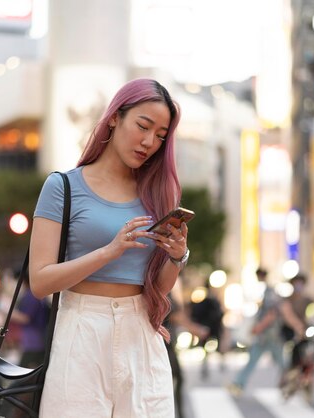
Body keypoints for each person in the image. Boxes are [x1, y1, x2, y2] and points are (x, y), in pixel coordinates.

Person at [29, 78, 186, 417]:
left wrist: (176, 257)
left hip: (141, 333)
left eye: (160, 136)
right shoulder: (63, 186)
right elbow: (39, 281)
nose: (149, 142)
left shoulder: (160, 194)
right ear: (115, 117)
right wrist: (108, 251)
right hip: (82, 328)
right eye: (143, 126)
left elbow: (156, 288)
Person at [227, 268, 304, 396]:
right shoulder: (268, 292)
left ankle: (239, 384)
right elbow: (285, 312)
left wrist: (258, 328)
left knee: (270, 361)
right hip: (270, 336)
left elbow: (273, 314)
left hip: (269, 335)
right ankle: (239, 384)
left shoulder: (270, 292)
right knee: (277, 362)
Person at [164, 280, 208, 418]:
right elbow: (176, 316)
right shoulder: (166, 286)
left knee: (175, 378)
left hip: (165, 343)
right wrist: (196, 330)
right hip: (163, 343)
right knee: (175, 378)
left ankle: (177, 413)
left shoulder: (166, 287)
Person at [9, 282, 50, 369]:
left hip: (33, 341)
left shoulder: (32, 295)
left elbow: (26, 317)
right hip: (38, 339)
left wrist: (8, 313)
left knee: (21, 372)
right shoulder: (40, 294)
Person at [189, 281, 224, 379]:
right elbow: (220, 314)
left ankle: (212, 365)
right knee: (216, 347)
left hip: (207, 327)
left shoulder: (203, 302)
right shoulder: (213, 301)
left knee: (207, 349)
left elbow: (195, 314)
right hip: (212, 327)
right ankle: (219, 364)